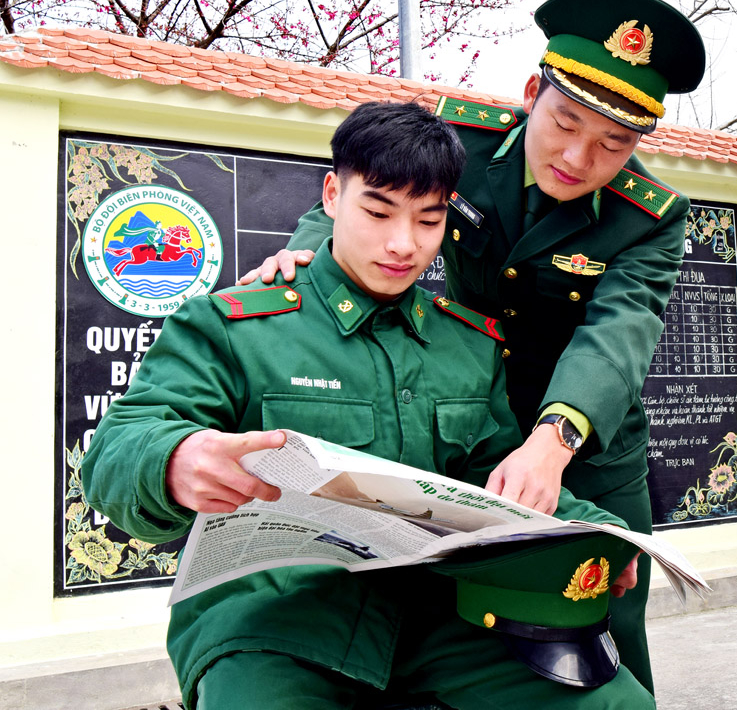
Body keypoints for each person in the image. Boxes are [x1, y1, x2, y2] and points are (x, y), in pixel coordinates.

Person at [81, 101, 652, 710]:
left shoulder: (468, 345)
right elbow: (114, 453)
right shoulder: (231, 327)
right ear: (332, 195)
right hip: (276, 624)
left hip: (440, 617)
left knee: (616, 705)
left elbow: (498, 486)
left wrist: (596, 532)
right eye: (378, 212)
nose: (403, 244)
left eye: (429, 221)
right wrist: (173, 459)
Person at [241, 0, 707, 691]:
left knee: (602, 617)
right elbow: (364, 194)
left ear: (639, 143)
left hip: (584, 438)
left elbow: (620, 333)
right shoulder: (464, 138)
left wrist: (554, 442)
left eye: (613, 143)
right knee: (479, 611)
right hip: (469, 413)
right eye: (565, 124)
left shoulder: (650, 216)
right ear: (531, 94)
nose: (579, 158)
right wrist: (301, 256)